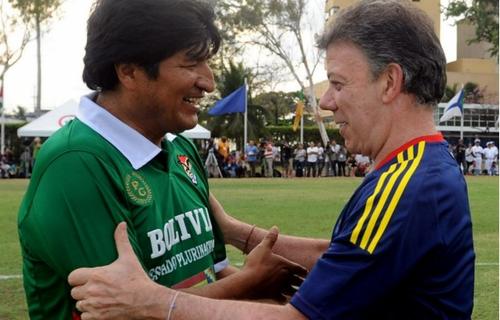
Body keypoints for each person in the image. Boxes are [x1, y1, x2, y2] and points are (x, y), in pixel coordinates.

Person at [68, 1, 475, 319]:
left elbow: (297, 318)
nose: (327, 102)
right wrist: (234, 232)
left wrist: (154, 303)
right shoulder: (424, 167)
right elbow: (351, 256)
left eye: (337, 83)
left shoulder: (406, 188)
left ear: (390, 82)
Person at [17, 1, 305, 319]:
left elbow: (214, 272)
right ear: (129, 70)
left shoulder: (180, 149)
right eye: (191, 63)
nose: (209, 82)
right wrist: (250, 284)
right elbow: (130, 311)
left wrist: (276, 300)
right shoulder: (76, 164)